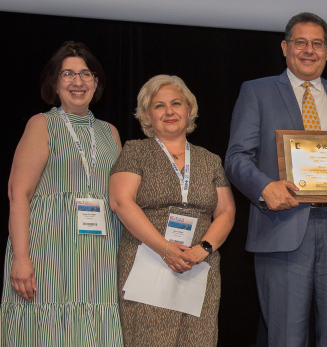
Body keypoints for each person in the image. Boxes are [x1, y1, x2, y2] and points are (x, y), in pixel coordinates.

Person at [225, 12, 327, 346]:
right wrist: (265, 187)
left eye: (317, 43)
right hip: (282, 228)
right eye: (300, 42)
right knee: (285, 336)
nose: (309, 50)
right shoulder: (257, 92)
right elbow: (236, 157)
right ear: (285, 47)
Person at [0, 42, 124, 345]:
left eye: (85, 74)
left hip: (102, 251)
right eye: (67, 74)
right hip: (50, 248)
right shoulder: (42, 124)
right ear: (54, 83)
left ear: (96, 82)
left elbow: (122, 197)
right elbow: (18, 194)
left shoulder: (111, 132)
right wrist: (21, 257)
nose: (78, 81)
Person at [109, 74, 235, 346]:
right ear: (146, 114)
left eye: (176, 103)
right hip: (148, 264)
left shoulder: (210, 159)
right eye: (159, 106)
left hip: (199, 268)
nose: (169, 111)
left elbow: (226, 212)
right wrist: (164, 248)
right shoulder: (135, 151)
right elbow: (120, 201)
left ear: (189, 109)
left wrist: (203, 249)